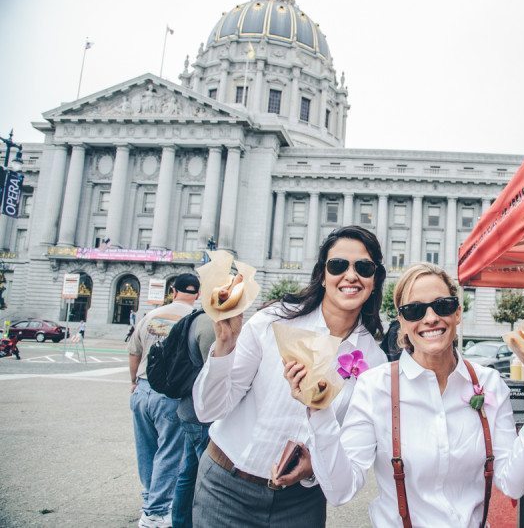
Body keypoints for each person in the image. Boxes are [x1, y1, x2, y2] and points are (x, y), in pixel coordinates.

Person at [284, 263, 524, 527]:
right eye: (415, 310)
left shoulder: (489, 383)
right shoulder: (375, 387)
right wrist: (320, 412)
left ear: (458, 313)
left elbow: (512, 483)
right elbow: (341, 491)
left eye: (442, 306)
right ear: (402, 322)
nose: (431, 318)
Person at [192, 226, 388, 527]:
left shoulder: (374, 362)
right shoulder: (274, 320)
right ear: (322, 275)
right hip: (226, 489)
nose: (351, 276)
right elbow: (209, 410)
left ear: (374, 281)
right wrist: (225, 346)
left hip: (301, 503)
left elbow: (348, 459)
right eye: (338, 265)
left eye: (363, 267)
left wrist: (312, 470)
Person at [129, 273, 200, 528]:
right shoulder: (194, 319)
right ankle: (156, 512)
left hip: (142, 389)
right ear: (198, 295)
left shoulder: (151, 315)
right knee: (169, 453)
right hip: (170, 395)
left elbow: (134, 351)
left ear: (173, 291)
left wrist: (134, 382)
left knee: (146, 449)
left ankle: (150, 499)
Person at [172, 313, 215, 528]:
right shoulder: (211, 324)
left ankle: (180, 522)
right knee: (209, 477)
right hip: (202, 414)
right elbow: (215, 373)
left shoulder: (196, 317)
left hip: (190, 408)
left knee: (188, 473)